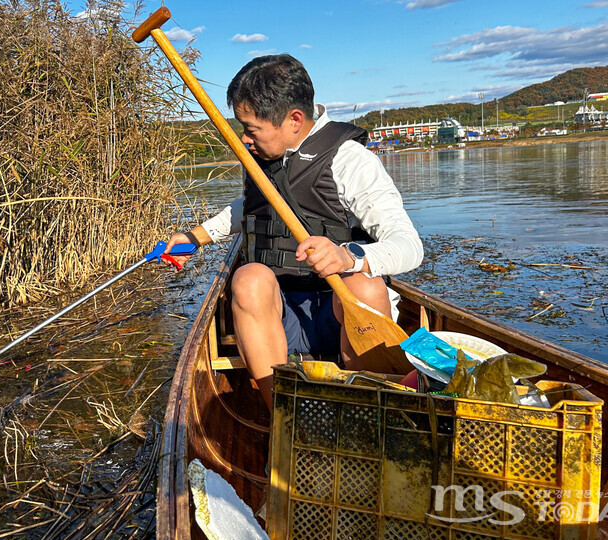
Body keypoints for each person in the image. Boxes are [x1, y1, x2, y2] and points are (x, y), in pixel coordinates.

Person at [165, 54, 423, 409]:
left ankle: (369, 408)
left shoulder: (350, 161)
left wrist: (350, 256)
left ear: (295, 120)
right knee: (248, 278)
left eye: (251, 129)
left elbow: (410, 246)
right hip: (277, 315)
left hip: (342, 315)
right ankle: (283, 416)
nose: (244, 139)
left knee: (363, 283)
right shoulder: (266, 159)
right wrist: (195, 237)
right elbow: (253, 210)